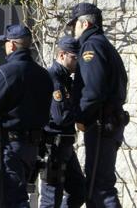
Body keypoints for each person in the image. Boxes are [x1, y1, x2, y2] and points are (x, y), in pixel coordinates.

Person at [0, 24, 53, 208]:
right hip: (33, 146)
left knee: (15, 200)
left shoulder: (6, 72)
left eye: (5, 42)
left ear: (11, 45)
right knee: (18, 196)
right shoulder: (44, 75)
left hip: (11, 145)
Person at [67, 3, 128, 208]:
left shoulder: (91, 46)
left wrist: (80, 117)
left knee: (99, 190)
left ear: (84, 23)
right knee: (97, 189)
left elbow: (93, 91)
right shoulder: (104, 44)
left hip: (101, 124)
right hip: (107, 122)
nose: (72, 29)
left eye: (74, 24)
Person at [39, 35, 86, 208]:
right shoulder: (55, 78)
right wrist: (80, 112)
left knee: (80, 190)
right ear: (61, 55)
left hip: (65, 147)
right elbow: (61, 117)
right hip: (54, 148)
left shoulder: (66, 79)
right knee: (51, 200)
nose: (77, 62)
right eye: (74, 58)